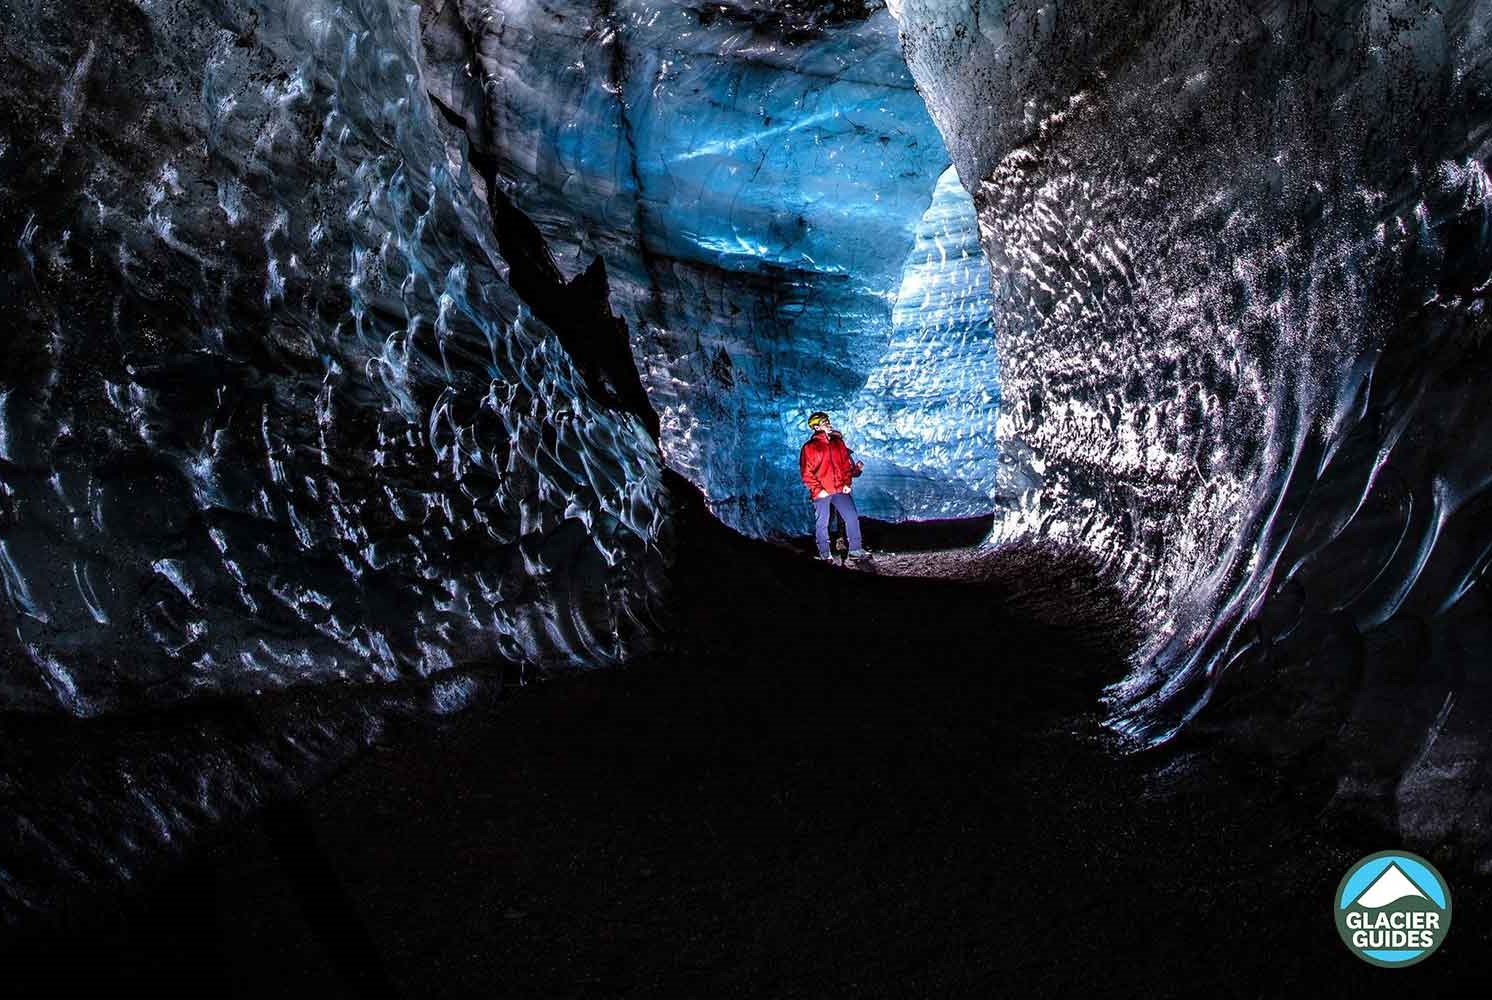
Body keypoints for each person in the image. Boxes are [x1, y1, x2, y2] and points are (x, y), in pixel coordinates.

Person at [799, 411, 867, 561]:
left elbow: (844, 466)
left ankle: (856, 550)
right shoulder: (809, 448)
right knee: (822, 523)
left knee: (852, 516)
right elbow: (806, 473)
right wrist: (818, 490)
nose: (828, 424)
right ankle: (825, 554)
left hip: (839, 489)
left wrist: (847, 483)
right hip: (822, 493)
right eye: (824, 422)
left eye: (828, 421)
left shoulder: (838, 443)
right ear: (816, 427)